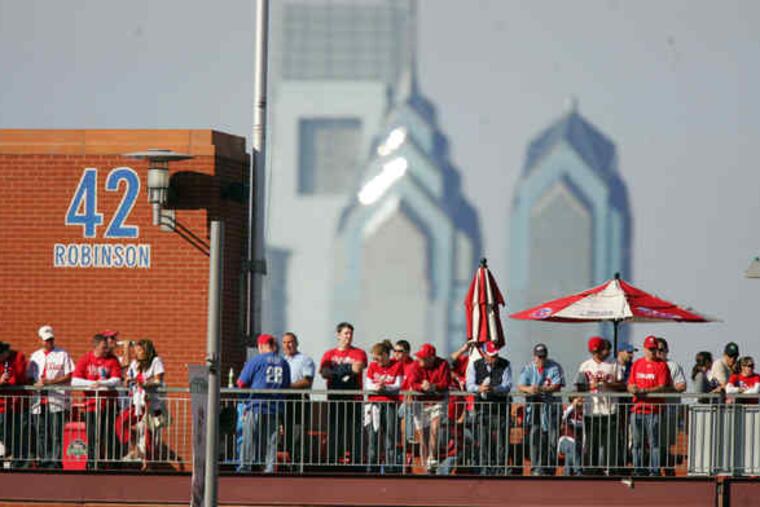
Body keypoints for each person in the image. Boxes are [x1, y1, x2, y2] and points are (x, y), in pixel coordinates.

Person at [237, 334, 291, 473]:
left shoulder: (256, 360)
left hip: (256, 405)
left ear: (261, 346)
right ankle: (269, 468)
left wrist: (244, 397)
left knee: (249, 437)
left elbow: (241, 382)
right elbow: (286, 385)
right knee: (271, 441)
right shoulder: (283, 362)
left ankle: (245, 466)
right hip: (275, 406)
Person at [27, 325, 75, 469]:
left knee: (56, 433)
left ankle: (55, 461)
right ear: (40, 340)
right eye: (46, 340)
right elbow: (29, 376)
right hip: (38, 402)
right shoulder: (35, 356)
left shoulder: (62, 354)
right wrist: (35, 384)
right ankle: (44, 460)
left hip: (57, 400)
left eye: (51, 340)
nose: (49, 342)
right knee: (41, 432)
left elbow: (69, 375)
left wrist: (50, 382)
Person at [319, 322, 367, 464]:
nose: (349, 336)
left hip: (354, 397)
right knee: (335, 430)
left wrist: (336, 370)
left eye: (351, 333)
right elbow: (324, 372)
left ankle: (356, 461)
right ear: (338, 335)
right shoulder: (330, 354)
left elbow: (358, 368)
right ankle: (333, 460)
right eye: (346, 333)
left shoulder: (359, 352)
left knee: (354, 431)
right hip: (335, 397)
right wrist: (347, 368)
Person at [72, 334, 123, 468]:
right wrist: (91, 384)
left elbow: (117, 379)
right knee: (93, 435)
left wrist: (102, 383)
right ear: (95, 346)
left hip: (109, 405)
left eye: (107, 347)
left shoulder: (112, 360)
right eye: (103, 347)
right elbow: (75, 380)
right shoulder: (86, 359)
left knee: (110, 434)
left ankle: (113, 463)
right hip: (91, 406)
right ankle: (93, 463)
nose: (106, 350)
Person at [115, 339, 165, 471]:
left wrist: (145, 383)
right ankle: (133, 448)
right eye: (135, 350)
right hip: (137, 401)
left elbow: (158, 380)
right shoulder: (134, 363)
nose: (136, 353)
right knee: (121, 422)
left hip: (151, 402)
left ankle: (147, 463)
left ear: (146, 350)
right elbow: (128, 377)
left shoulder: (156, 361)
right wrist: (127, 380)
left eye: (139, 350)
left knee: (149, 434)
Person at [576, 336, 623, 474]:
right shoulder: (585, 365)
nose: (597, 354)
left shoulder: (614, 364)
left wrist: (606, 384)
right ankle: (592, 470)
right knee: (591, 443)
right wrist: (588, 386)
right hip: (591, 410)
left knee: (610, 443)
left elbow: (622, 385)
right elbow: (579, 386)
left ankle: (612, 470)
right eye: (594, 352)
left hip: (610, 409)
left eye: (599, 351)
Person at [627, 335, 672, 476]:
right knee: (637, 443)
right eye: (650, 349)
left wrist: (645, 391)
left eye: (655, 349)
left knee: (654, 443)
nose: (653, 352)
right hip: (637, 409)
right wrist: (633, 389)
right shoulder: (637, 364)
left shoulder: (662, 365)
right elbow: (629, 383)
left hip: (654, 410)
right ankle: (638, 469)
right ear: (645, 349)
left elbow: (662, 386)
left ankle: (654, 470)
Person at [518, 343, 565, 476]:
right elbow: (520, 386)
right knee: (535, 438)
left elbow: (557, 385)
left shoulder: (555, 366)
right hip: (534, 408)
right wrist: (529, 389)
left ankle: (550, 469)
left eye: (543, 357)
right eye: (539, 357)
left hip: (551, 408)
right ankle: (536, 468)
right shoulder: (528, 368)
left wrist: (541, 389)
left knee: (551, 439)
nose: (541, 359)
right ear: (534, 357)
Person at [465, 341, 512, 475]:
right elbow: (469, 385)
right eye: (491, 356)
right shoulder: (475, 365)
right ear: (484, 354)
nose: (494, 358)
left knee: (501, 441)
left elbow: (507, 385)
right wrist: (479, 388)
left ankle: (500, 468)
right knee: (483, 439)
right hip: (482, 409)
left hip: (500, 409)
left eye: (495, 355)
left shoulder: (505, 364)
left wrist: (494, 389)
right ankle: (484, 468)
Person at [407, 343, 451, 472]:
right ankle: (426, 466)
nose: (420, 359)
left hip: (437, 402)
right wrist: (422, 387)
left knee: (435, 428)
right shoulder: (415, 365)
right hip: (420, 404)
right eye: (419, 357)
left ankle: (432, 458)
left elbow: (446, 382)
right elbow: (412, 383)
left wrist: (433, 387)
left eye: (423, 358)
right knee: (423, 436)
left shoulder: (443, 364)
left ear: (431, 358)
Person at [364, 340, 403, 473]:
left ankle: (389, 467)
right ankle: (372, 467)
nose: (376, 361)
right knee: (373, 437)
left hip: (390, 405)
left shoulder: (397, 365)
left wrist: (385, 387)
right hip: (374, 405)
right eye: (374, 358)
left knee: (390, 437)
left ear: (386, 355)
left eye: (378, 357)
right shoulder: (372, 366)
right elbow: (368, 384)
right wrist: (377, 387)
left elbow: (398, 384)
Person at [281, 332, 314, 468]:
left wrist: (287, 386)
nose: (287, 345)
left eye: (290, 342)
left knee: (298, 434)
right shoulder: (281, 360)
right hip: (284, 400)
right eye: (284, 342)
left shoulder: (305, 360)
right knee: (285, 433)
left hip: (299, 399)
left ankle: (299, 464)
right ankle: (288, 464)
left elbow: (307, 381)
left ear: (296, 343)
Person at [655, 337, 686, 473]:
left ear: (667, 350)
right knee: (654, 443)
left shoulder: (673, 366)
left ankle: (668, 470)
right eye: (655, 350)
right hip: (652, 411)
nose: (658, 353)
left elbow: (681, 386)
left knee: (666, 444)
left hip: (669, 412)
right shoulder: (647, 365)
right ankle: (654, 470)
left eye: (661, 350)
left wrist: (665, 389)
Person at [0, 341, 29, 467]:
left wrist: (6, 379)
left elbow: (18, 377)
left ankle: (17, 459)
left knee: (16, 432)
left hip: (17, 403)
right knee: (3, 430)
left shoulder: (18, 357)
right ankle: (9, 452)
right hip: (2, 404)